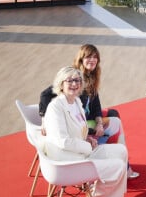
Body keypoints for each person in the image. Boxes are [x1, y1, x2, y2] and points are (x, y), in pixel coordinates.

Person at [39, 44, 139, 179]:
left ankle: (115, 159)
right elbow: (45, 95)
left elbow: (96, 104)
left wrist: (99, 122)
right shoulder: (73, 76)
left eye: (95, 57)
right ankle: (121, 166)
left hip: (88, 116)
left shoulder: (92, 76)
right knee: (115, 123)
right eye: (88, 57)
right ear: (81, 59)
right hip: (78, 122)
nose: (92, 60)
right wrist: (44, 120)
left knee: (114, 114)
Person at [43, 66, 128, 197]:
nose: (74, 84)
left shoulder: (75, 102)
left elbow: (78, 130)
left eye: (77, 80)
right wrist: (87, 145)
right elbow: (63, 141)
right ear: (61, 84)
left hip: (81, 150)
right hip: (68, 160)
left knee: (121, 151)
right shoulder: (56, 107)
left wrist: (87, 138)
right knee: (118, 166)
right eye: (69, 80)